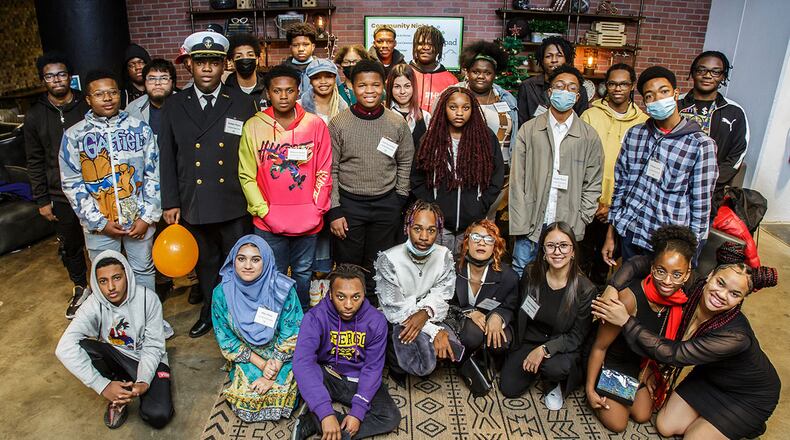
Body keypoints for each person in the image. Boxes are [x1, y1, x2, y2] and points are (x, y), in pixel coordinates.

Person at [592, 256, 780, 440]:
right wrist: (612, 287)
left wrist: (626, 320)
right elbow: (644, 262)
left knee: (693, 437)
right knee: (665, 426)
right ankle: (716, 422)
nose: (721, 295)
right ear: (710, 275)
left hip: (749, 395)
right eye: (720, 283)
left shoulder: (736, 336)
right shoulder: (695, 286)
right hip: (709, 378)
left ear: (741, 300)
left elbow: (673, 354)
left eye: (734, 294)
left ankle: (745, 423)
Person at [159, 31, 257, 338]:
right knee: (206, 265)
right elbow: (167, 157)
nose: (206, 69)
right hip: (195, 202)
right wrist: (171, 202)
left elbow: (254, 155)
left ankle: (240, 315)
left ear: (224, 65)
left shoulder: (242, 103)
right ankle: (210, 313)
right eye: (200, 62)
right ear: (189, 65)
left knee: (240, 265)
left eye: (213, 62)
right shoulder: (174, 105)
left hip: (234, 201)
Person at [603, 66, 718, 265]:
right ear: (644, 102)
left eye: (663, 92)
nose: (657, 99)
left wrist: (689, 256)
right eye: (649, 95)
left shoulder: (700, 144)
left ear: (675, 93)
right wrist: (611, 234)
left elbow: (700, 207)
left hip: (668, 245)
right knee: (627, 289)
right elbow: (620, 187)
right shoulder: (635, 135)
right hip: (631, 231)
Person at [239, 65, 332, 310]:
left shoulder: (315, 125)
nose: (283, 96)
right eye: (277, 91)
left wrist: (317, 209)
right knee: (272, 273)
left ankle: (300, 321)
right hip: (268, 221)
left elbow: (324, 168)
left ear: (298, 91)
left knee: (303, 273)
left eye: (289, 90)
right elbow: (246, 175)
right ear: (268, 93)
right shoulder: (253, 126)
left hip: (308, 220)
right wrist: (264, 212)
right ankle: (275, 323)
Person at [586, 225, 696, 433]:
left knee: (643, 415)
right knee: (618, 424)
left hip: (641, 366)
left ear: (687, 273)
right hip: (615, 363)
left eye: (677, 274)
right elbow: (599, 347)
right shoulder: (629, 299)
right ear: (652, 266)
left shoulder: (682, 302)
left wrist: (648, 374)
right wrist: (590, 389)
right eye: (661, 271)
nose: (667, 281)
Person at [59, 69, 160, 291]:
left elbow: (154, 174)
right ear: (88, 99)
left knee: (143, 271)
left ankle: (147, 321)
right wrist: (99, 222)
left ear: (120, 95)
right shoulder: (74, 136)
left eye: (112, 92)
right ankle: (116, 324)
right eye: (99, 94)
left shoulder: (139, 128)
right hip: (100, 225)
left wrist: (147, 217)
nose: (107, 98)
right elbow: (71, 183)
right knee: (106, 277)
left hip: (138, 221)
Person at [55, 251, 173, 429]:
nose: (111, 287)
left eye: (116, 278)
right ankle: (117, 387)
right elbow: (63, 348)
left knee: (158, 415)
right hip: (117, 357)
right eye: (103, 281)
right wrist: (103, 386)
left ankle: (126, 389)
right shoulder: (93, 305)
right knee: (81, 346)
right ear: (96, 283)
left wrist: (143, 381)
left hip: (149, 360)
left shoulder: (148, 299)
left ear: (127, 275)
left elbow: (153, 346)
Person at [328, 60, 414, 293]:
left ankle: (378, 315)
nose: (369, 91)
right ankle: (350, 313)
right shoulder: (339, 123)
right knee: (349, 266)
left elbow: (405, 160)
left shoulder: (396, 123)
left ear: (383, 87)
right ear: (352, 87)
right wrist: (335, 209)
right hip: (349, 205)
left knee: (382, 265)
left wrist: (399, 197)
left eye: (375, 85)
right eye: (362, 85)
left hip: (386, 204)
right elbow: (331, 169)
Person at [509, 65, 603, 276]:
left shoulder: (589, 136)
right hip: (531, 221)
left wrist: (583, 216)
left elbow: (593, 181)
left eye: (571, 88)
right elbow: (517, 179)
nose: (565, 91)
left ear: (578, 96)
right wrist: (520, 217)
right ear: (550, 92)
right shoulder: (530, 130)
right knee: (522, 272)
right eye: (559, 86)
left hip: (568, 221)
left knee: (560, 276)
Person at [291, 264, 401, 440]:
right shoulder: (314, 317)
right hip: (328, 373)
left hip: (359, 378)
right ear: (330, 294)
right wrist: (325, 411)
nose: (348, 305)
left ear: (364, 294)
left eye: (356, 297)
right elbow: (302, 363)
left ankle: (314, 423)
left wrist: (357, 412)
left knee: (390, 417)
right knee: (303, 374)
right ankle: (324, 417)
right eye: (340, 297)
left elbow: (373, 368)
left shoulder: (376, 320)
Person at [499, 222, 595, 410]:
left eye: (564, 245)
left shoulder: (585, 289)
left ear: (573, 251)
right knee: (508, 388)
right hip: (530, 338)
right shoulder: (531, 273)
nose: (557, 252)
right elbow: (520, 308)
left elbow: (576, 337)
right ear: (543, 250)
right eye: (550, 245)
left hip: (561, 344)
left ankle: (554, 382)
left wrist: (544, 350)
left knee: (554, 368)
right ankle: (536, 368)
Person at [24, 52, 90, 319]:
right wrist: (41, 199)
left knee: (101, 242)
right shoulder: (35, 116)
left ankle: (107, 287)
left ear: (69, 77)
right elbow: (34, 159)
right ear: (43, 80)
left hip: (95, 190)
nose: (56, 80)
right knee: (71, 244)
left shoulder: (86, 106)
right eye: (50, 76)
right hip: (59, 194)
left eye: (61, 74)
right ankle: (80, 287)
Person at [211, 235, 303, 421]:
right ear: (233, 260)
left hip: (282, 353)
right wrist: (262, 365)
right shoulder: (222, 293)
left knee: (286, 394)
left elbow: (292, 331)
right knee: (246, 399)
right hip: (250, 355)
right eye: (241, 258)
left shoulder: (281, 288)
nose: (247, 266)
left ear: (266, 261)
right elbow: (226, 338)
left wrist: (273, 369)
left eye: (256, 259)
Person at [411, 87, 505, 257]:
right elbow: (417, 177)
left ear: (473, 110)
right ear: (443, 109)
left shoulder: (485, 139)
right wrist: (432, 206)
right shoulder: (430, 139)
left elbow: (496, 177)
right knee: (437, 270)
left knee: (465, 272)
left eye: (465, 108)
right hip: (439, 225)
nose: (459, 113)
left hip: (472, 224)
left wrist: (481, 204)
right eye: (453, 107)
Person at [374, 201, 459, 381]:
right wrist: (433, 330)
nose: (424, 237)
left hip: (430, 314)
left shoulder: (444, 255)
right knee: (423, 365)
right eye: (417, 229)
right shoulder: (389, 259)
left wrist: (425, 313)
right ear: (407, 228)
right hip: (397, 318)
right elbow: (395, 309)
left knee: (455, 345)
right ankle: (394, 357)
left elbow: (442, 295)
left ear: (438, 232)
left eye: (431, 230)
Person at [579, 63, 648, 284]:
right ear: (605, 86)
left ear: (632, 86)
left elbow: (641, 172)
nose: (617, 89)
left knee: (606, 261)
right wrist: (594, 203)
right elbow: (579, 161)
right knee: (581, 258)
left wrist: (614, 208)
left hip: (621, 208)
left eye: (623, 84)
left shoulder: (644, 122)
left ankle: (598, 303)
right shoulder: (590, 115)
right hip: (588, 203)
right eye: (612, 84)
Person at [679, 51, 748, 217]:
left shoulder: (734, 111)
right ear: (693, 72)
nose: (707, 76)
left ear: (723, 77)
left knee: (697, 237)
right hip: (671, 187)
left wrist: (711, 181)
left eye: (715, 71)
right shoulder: (675, 104)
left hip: (709, 193)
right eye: (701, 70)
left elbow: (736, 155)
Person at [451, 220, 518, 367]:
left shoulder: (509, 276)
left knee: (501, 341)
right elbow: (446, 302)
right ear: (467, 243)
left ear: (495, 246)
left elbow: (511, 306)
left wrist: (498, 316)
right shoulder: (453, 269)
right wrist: (469, 311)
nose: (482, 243)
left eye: (489, 239)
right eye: (476, 237)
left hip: (491, 318)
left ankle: (486, 360)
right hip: (462, 320)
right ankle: (464, 361)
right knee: (471, 335)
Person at [454, 41, 518, 163]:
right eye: (476, 72)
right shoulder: (452, 95)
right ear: (467, 72)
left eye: (487, 73)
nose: (481, 76)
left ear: (495, 75)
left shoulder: (507, 99)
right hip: (462, 168)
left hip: (501, 172)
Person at [517, 37, 589, 123]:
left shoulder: (578, 89)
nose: (554, 60)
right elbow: (521, 122)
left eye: (559, 55)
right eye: (548, 56)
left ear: (567, 59)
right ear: (542, 60)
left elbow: (581, 122)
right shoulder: (528, 86)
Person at [409, 25, 459, 113]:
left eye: (431, 44)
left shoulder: (451, 81)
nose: (426, 47)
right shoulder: (403, 74)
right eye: (421, 44)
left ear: (439, 49)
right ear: (415, 47)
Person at [126, 59, 177, 138]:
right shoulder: (132, 109)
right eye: (152, 79)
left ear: (172, 82)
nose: (157, 83)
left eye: (163, 78)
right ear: (145, 82)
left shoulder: (187, 105)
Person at [385, 63, 431, 149]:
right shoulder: (384, 115)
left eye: (407, 86)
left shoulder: (425, 117)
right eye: (397, 86)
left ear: (413, 87)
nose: (402, 91)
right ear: (390, 88)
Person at [225, 33, 268, 110]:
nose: (245, 59)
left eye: (250, 55)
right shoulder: (225, 92)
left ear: (257, 59)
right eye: (239, 56)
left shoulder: (268, 89)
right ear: (231, 62)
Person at [300, 58, 348, 124]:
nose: (323, 82)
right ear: (310, 81)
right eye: (316, 78)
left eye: (328, 77)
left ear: (335, 79)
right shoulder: (299, 106)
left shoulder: (343, 107)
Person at [283, 22, 317, 92]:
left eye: (305, 44)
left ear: (313, 47)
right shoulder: (282, 70)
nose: (301, 49)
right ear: (290, 47)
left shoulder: (324, 68)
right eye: (295, 45)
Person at [121, 43, 151, 109]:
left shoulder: (160, 89)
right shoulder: (122, 96)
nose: (137, 67)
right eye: (132, 65)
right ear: (127, 70)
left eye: (141, 62)